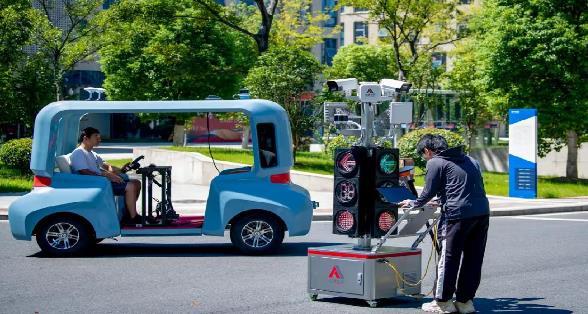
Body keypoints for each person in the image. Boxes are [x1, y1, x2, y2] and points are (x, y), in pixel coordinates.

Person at [399, 134, 490, 314]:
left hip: (457, 216)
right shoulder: (470, 160)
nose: (425, 158)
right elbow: (463, 187)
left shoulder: (436, 162)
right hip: (481, 213)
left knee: (448, 259)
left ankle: (443, 302)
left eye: (424, 155)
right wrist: (441, 200)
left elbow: (427, 192)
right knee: (473, 259)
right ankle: (465, 303)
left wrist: (413, 203)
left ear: (427, 150)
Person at [70, 127, 143, 225]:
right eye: (96, 137)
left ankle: (128, 214)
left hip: (101, 182)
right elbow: (84, 172)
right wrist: (107, 176)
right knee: (130, 186)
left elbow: (106, 166)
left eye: (99, 137)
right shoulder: (79, 152)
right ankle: (133, 218)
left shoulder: (92, 153)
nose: (99, 139)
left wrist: (121, 169)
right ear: (85, 138)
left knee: (136, 183)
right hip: (95, 184)